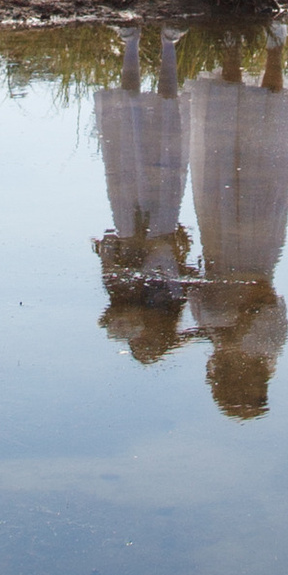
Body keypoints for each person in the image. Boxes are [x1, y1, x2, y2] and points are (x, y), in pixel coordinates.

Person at [187, 21, 288, 417]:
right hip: (256, 247)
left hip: (217, 241)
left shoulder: (211, 336)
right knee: (267, 158)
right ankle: (268, 46)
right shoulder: (271, 343)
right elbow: (263, 297)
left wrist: (216, 333)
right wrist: (231, 332)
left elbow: (199, 286)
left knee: (220, 152)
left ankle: (232, 42)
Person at [93, 22, 196, 364]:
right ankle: (168, 47)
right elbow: (183, 261)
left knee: (128, 132)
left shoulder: (121, 292)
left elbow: (109, 251)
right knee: (166, 133)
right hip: (163, 221)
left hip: (129, 221)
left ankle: (132, 47)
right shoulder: (174, 298)